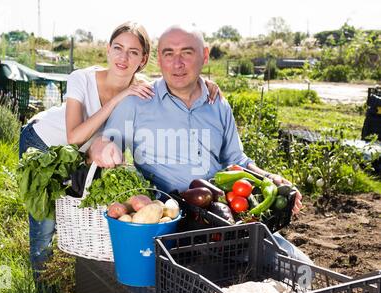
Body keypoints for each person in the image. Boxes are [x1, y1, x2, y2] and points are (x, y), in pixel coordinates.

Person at [18, 21, 223, 293]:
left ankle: (75, 278)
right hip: (44, 143)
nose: (123, 58)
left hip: (85, 155)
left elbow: (177, 81)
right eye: (118, 48)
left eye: (133, 52)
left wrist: (204, 82)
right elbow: (75, 137)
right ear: (107, 49)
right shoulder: (82, 78)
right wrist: (119, 99)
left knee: (75, 214)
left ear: (143, 59)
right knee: (44, 225)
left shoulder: (142, 88)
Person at [89, 25, 312, 264]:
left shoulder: (218, 104)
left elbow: (237, 160)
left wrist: (270, 177)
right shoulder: (137, 102)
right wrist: (99, 148)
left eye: (187, 52)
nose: (177, 63)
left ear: (204, 56)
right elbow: (100, 145)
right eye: (168, 53)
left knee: (302, 268)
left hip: (224, 217)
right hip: (170, 224)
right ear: (158, 60)